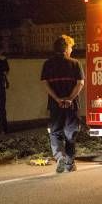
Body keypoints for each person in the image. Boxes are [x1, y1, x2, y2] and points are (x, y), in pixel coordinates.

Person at [41, 35, 84, 173]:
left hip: (55, 105)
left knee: (55, 132)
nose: (71, 49)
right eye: (71, 47)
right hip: (71, 105)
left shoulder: (47, 64)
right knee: (70, 133)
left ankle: (60, 158)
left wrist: (57, 99)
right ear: (66, 48)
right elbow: (80, 83)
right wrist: (70, 98)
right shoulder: (75, 63)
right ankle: (70, 163)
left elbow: (45, 83)